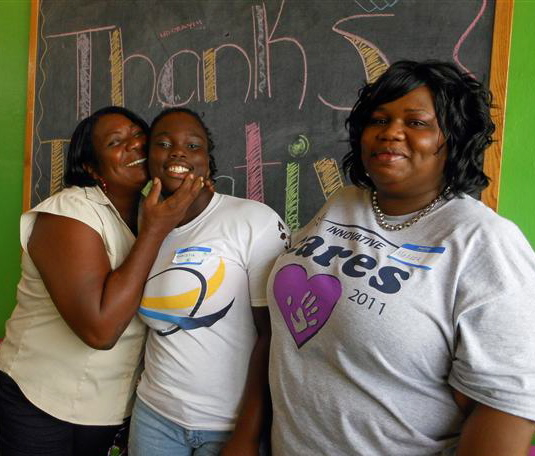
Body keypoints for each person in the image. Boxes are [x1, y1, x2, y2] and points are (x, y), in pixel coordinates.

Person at [267, 60, 535, 455]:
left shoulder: (484, 242)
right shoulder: (344, 203)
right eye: (379, 119)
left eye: (417, 123)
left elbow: (506, 406)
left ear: (454, 138)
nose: (391, 132)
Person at [0, 106, 206, 456]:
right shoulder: (69, 211)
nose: (134, 145)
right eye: (116, 142)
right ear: (92, 168)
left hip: (109, 412)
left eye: (139, 135)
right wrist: (155, 232)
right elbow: (100, 329)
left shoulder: (150, 214)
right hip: (37, 403)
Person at [128, 107, 288, 456]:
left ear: (208, 162)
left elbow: (273, 335)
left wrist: (246, 435)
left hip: (228, 426)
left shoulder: (251, 220)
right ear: (148, 159)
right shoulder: (143, 227)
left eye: (192, 145)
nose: (178, 152)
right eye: (164, 143)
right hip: (154, 417)